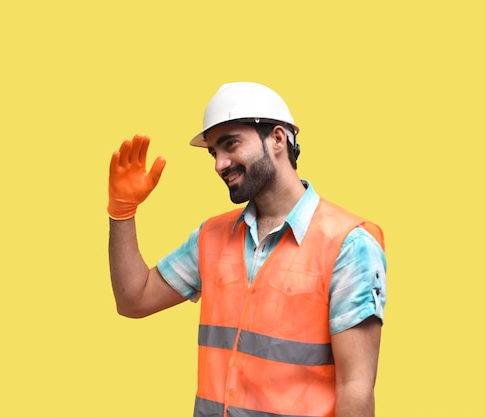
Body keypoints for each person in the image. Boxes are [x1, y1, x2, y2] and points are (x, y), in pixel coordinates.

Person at [107, 82, 387, 417]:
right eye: (213, 152)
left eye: (230, 145)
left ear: (278, 139)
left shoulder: (348, 244)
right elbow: (133, 299)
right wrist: (122, 212)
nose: (219, 164)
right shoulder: (212, 236)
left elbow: (355, 387)